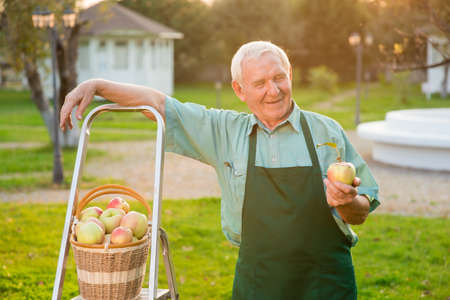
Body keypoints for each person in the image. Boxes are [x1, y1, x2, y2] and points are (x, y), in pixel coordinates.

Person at [61, 41, 379, 300]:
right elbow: (157, 104)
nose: (274, 90)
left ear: (290, 74)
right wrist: (97, 85)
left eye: (279, 77)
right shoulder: (223, 131)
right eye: (260, 83)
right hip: (260, 285)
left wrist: (347, 202)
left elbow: (361, 210)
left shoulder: (328, 133)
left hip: (325, 284)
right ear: (240, 90)